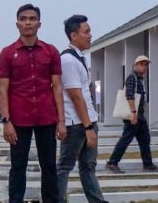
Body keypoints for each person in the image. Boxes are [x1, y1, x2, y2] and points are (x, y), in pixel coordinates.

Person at [0, 4, 66, 203]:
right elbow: (3, 89)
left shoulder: (50, 51)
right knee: (18, 166)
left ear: (39, 24)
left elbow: (57, 87)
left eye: (32, 19)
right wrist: (6, 121)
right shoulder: (7, 53)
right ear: (17, 23)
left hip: (46, 117)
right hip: (19, 118)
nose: (28, 22)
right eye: (23, 19)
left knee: (49, 166)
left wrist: (61, 121)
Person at [56, 15, 107, 203]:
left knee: (88, 167)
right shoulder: (68, 60)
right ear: (73, 35)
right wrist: (88, 127)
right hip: (76, 123)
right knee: (65, 166)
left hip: (88, 120)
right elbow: (75, 96)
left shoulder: (80, 58)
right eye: (86, 32)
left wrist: (91, 123)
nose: (90, 35)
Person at [106, 55, 158, 173]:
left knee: (145, 139)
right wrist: (133, 113)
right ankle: (112, 162)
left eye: (146, 65)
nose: (145, 67)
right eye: (142, 64)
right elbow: (130, 95)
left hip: (139, 115)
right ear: (135, 65)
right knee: (126, 139)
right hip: (134, 115)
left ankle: (148, 164)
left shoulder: (139, 79)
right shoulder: (132, 77)